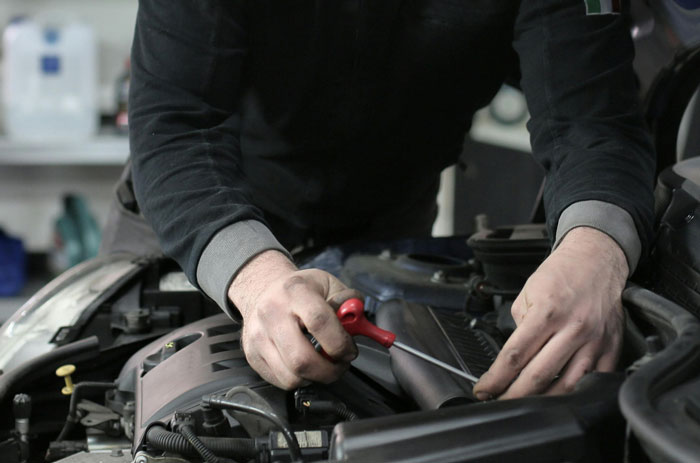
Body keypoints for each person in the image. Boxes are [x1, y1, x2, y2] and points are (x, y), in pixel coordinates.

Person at [124, 0, 655, 400]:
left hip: (387, 227)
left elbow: (594, 120)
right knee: (133, 397)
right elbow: (177, 125)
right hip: (198, 215)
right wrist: (254, 275)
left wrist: (595, 251)